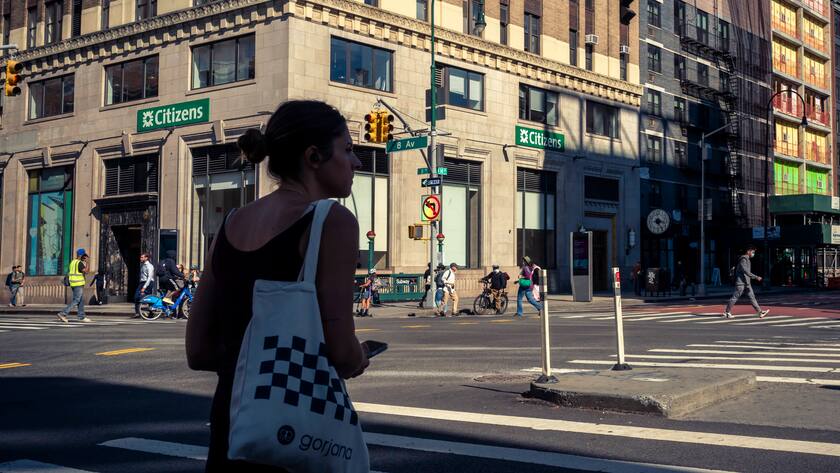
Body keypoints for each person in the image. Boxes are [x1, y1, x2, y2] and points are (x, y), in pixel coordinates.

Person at [186, 100, 369, 472]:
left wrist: (249, 358)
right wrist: (359, 357)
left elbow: (198, 350)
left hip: (233, 423)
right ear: (314, 157)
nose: (357, 163)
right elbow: (342, 351)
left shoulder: (230, 224)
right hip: (293, 426)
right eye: (348, 150)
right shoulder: (333, 221)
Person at [723, 245, 770, 319]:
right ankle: (727, 312)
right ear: (748, 251)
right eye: (753, 252)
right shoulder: (743, 259)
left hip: (747, 283)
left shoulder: (747, 259)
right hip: (741, 283)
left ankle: (760, 312)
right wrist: (756, 277)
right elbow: (746, 271)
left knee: (752, 298)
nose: (753, 253)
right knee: (735, 297)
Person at [58, 250, 92, 323]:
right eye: (84, 256)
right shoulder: (79, 263)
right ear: (81, 255)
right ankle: (63, 313)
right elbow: (86, 271)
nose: (85, 257)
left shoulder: (73, 262)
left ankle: (81, 316)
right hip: (78, 284)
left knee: (80, 300)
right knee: (76, 300)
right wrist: (88, 263)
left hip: (73, 283)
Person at [134, 253, 155, 318]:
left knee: (147, 298)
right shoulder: (143, 265)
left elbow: (149, 277)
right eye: (141, 257)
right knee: (136, 297)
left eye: (142, 257)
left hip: (148, 283)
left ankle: (151, 312)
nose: (141, 258)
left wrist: (144, 287)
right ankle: (137, 313)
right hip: (142, 282)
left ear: (146, 258)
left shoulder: (150, 266)